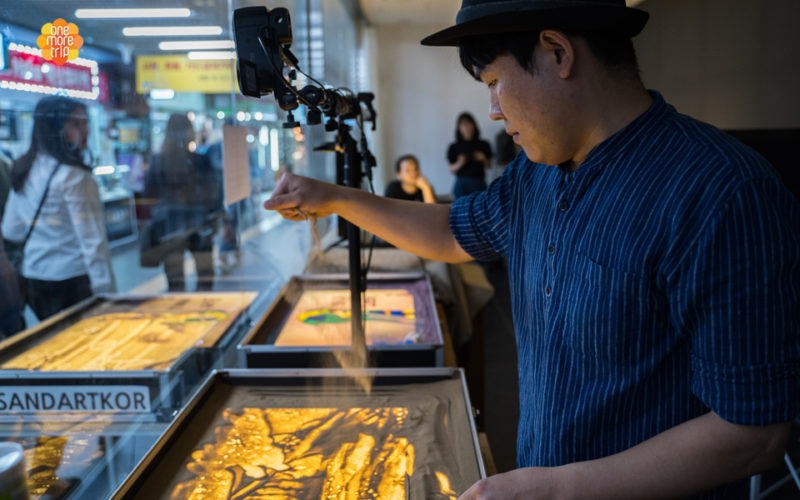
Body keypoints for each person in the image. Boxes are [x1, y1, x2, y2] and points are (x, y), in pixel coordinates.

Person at [263, 0, 799, 498]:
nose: (493, 110)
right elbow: (453, 231)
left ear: (558, 52)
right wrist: (334, 198)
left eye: (495, 81)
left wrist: (556, 488)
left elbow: (752, 430)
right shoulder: (536, 174)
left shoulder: (722, 192)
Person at [2, 96, 115, 321]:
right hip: (73, 279)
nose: (84, 130)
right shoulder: (74, 176)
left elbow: (10, 230)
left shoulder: (25, 167)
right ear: (54, 128)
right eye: (75, 124)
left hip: (35, 277)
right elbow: (92, 241)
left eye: (84, 122)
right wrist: (107, 294)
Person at [145, 113, 222, 292]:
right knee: (205, 279)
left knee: (175, 283)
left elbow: (149, 194)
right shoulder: (200, 160)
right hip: (199, 225)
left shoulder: (158, 161)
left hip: (170, 228)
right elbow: (213, 194)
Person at [448, 112, 493, 198]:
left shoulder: (483, 144)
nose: (466, 127)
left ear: (474, 125)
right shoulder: (454, 146)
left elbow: (489, 165)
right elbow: (451, 169)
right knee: (460, 208)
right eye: (463, 124)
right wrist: (460, 163)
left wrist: (483, 158)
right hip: (461, 182)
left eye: (469, 123)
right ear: (459, 127)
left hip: (479, 181)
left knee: (480, 208)